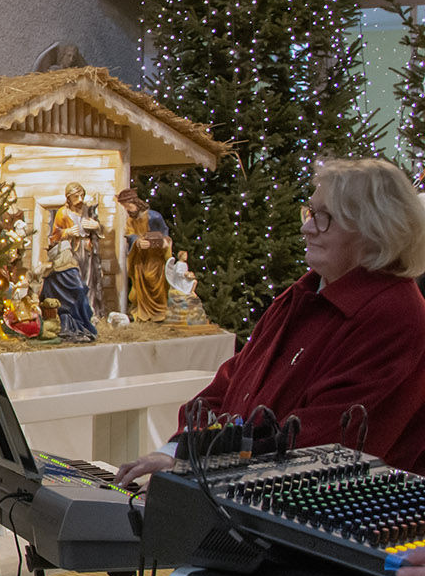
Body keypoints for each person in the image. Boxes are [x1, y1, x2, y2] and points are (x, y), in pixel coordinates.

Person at [117, 158, 425, 485]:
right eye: (310, 212)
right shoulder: (304, 293)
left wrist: (195, 463)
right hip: (239, 492)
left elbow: (323, 446)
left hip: (312, 506)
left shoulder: (395, 317)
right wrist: (177, 450)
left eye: (324, 218)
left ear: (373, 230)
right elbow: (231, 385)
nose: (306, 228)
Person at [39, 181, 99, 342]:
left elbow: (98, 229)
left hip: (86, 248)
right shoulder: (62, 213)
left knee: (87, 280)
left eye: (82, 195)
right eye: (76, 197)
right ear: (69, 198)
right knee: (77, 282)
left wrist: (96, 226)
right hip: (70, 251)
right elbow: (54, 236)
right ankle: (81, 312)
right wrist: (67, 232)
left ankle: (90, 311)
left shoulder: (88, 210)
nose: (80, 200)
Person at [117, 186, 171, 322]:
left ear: (134, 203)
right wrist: (138, 241)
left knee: (152, 278)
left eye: (127, 206)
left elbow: (164, 232)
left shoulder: (154, 216)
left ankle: (160, 309)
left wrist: (164, 242)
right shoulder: (131, 220)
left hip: (155, 255)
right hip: (140, 257)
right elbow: (129, 234)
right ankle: (143, 311)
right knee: (140, 282)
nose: (127, 209)